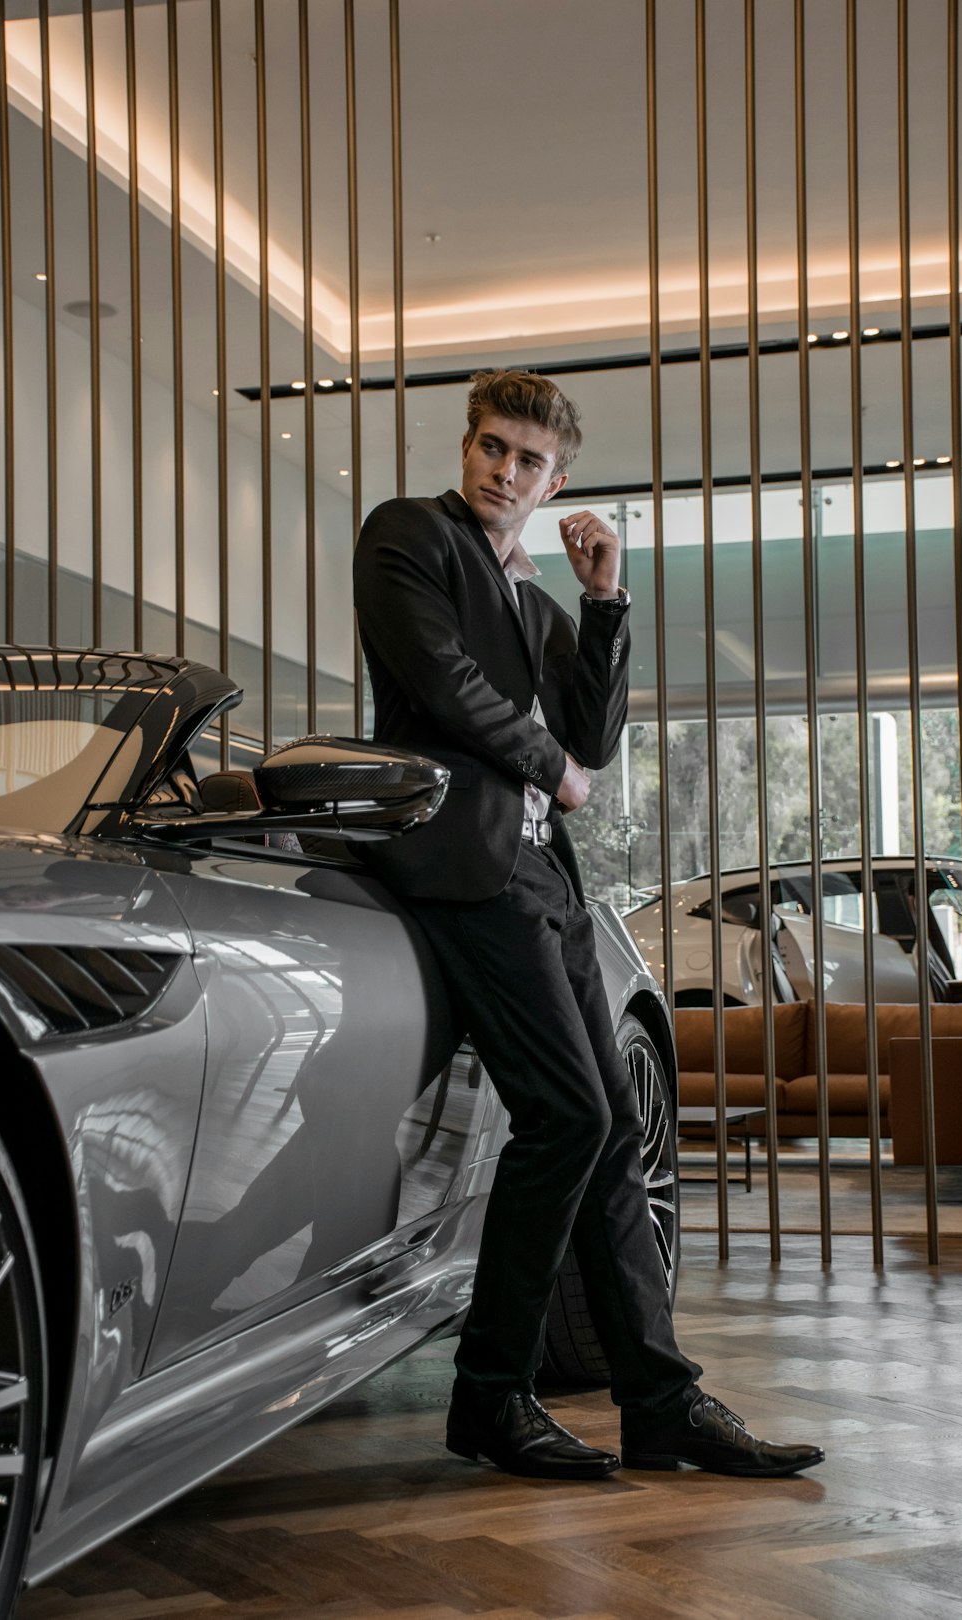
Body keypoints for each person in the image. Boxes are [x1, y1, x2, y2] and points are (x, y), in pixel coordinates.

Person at [353, 368, 823, 1481]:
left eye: (526, 460)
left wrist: (606, 597)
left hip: (543, 879)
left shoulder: (540, 600)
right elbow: (444, 683)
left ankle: (662, 1402)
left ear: (557, 478)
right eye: (490, 446)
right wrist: (548, 767)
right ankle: (490, 1397)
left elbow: (598, 738)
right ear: (467, 446)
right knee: (567, 1117)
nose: (502, 471)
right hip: (462, 866)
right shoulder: (408, 537)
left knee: (612, 1133)